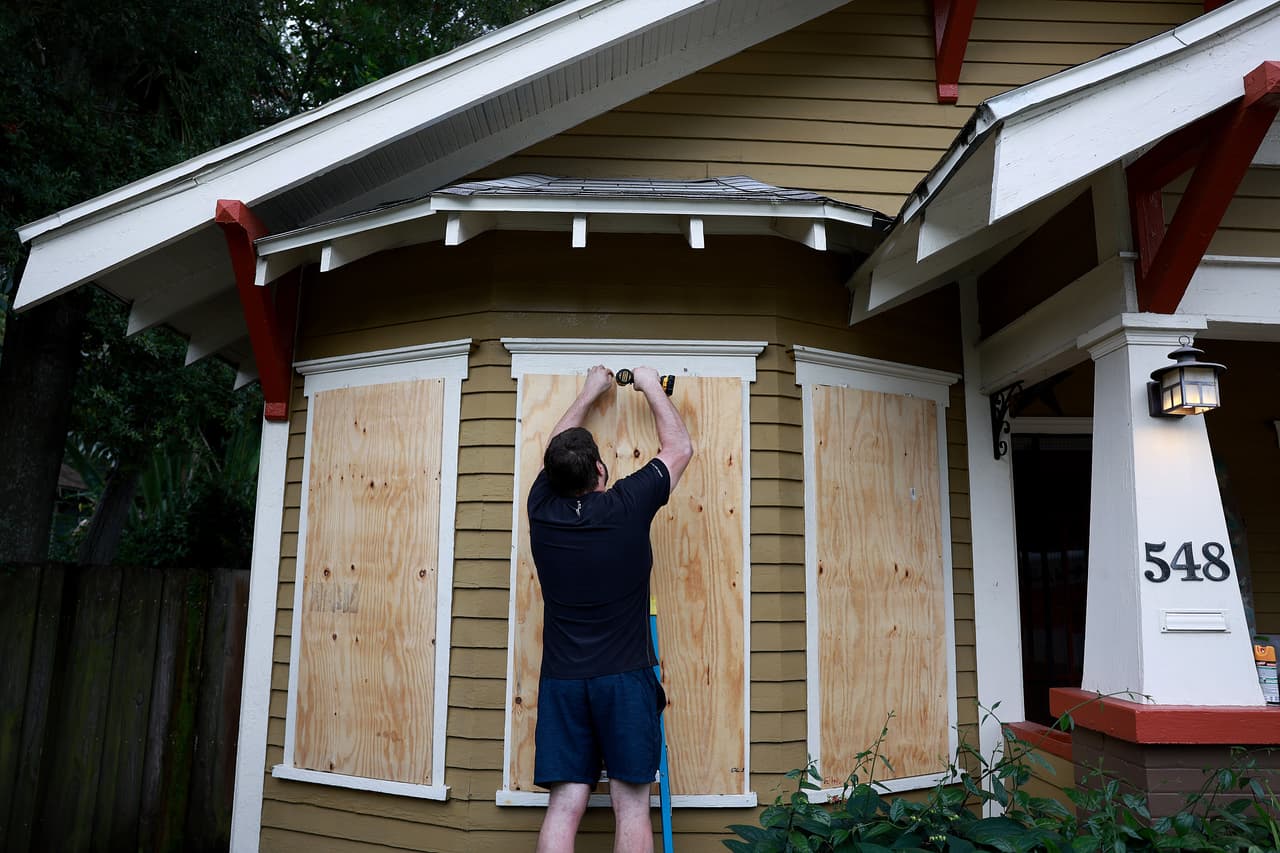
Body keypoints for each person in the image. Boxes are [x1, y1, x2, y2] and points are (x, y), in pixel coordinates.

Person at [528, 365, 694, 853]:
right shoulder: (626, 504)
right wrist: (646, 385)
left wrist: (587, 392)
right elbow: (679, 450)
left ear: (553, 476)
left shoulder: (542, 508)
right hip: (624, 679)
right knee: (631, 805)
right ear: (601, 471)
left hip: (563, 681)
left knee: (564, 805)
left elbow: (558, 447)